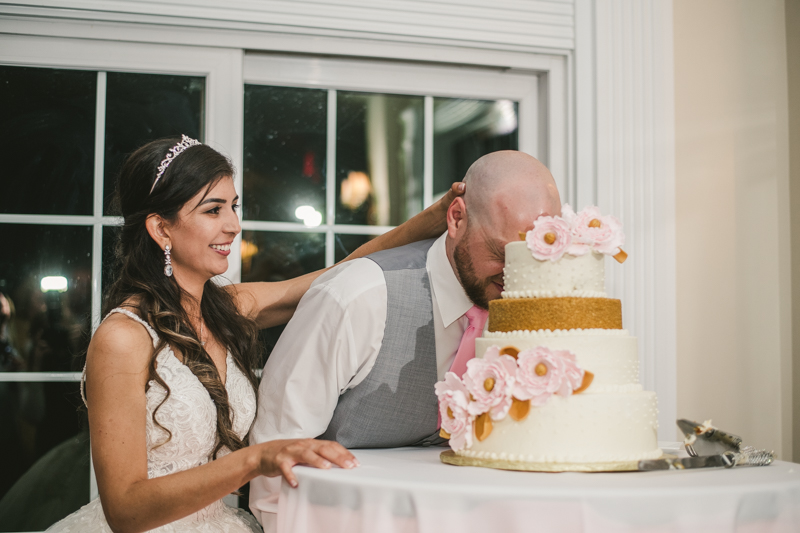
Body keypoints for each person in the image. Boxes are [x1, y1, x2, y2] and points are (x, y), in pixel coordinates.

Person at [46, 135, 464, 533]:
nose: (233, 225)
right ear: (161, 229)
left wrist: (432, 220)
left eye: (234, 206)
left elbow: (338, 277)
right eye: (213, 210)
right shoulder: (124, 337)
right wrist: (255, 459)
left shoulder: (225, 308)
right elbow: (125, 509)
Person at [249, 150, 562, 529]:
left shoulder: (537, 308)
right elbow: (272, 460)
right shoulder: (360, 297)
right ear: (457, 217)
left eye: (534, 257)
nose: (517, 273)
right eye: (500, 253)